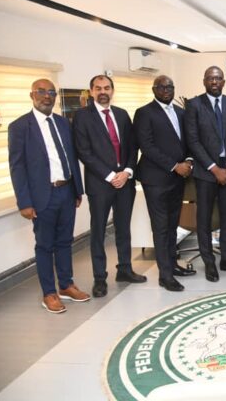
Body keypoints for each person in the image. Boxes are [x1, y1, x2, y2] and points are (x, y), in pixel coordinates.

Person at [8, 79, 90, 313]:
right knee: (44, 245)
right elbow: (17, 167)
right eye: (41, 92)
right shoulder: (20, 127)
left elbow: (71, 158)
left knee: (65, 241)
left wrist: (77, 189)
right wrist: (24, 201)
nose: (47, 96)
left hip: (66, 191)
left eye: (51, 92)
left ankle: (66, 285)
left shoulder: (64, 123)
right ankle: (49, 293)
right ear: (31, 95)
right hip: (42, 195)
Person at [73, 75, 146, 298]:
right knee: (98, 232)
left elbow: (133, 147)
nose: (102, 91)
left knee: (123, 228)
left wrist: (127, 172)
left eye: (106, 88)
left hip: (125, 182)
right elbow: (83, 151)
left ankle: (124, 269)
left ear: (112, 90)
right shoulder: (82, 117)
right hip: (100, 185)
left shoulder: (122, 115)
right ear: (91, 91)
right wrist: (110, 175)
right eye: (98, 88)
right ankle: (99, 279)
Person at [133, 75, 195, 292]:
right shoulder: (144, 113)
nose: (166, 90)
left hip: (178, 179)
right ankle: (165, 275)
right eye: (162, 87)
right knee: (160, 228)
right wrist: (174, 166)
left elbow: (188, 141)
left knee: (171, 226)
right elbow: (147, 146)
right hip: (156, 179)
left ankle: (172, 266)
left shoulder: (181, 112)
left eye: (170, 86)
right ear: (154, 89)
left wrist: (187, 161)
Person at [184, 66, 226, 282]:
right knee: (204, 219)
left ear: (224, 82)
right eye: (210, 78)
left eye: (218, 78)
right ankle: (209, 262)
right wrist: (214, 168)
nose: (214, 82)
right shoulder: (194, 105)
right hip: (205, 171)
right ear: (204, 81)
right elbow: (192, 140)